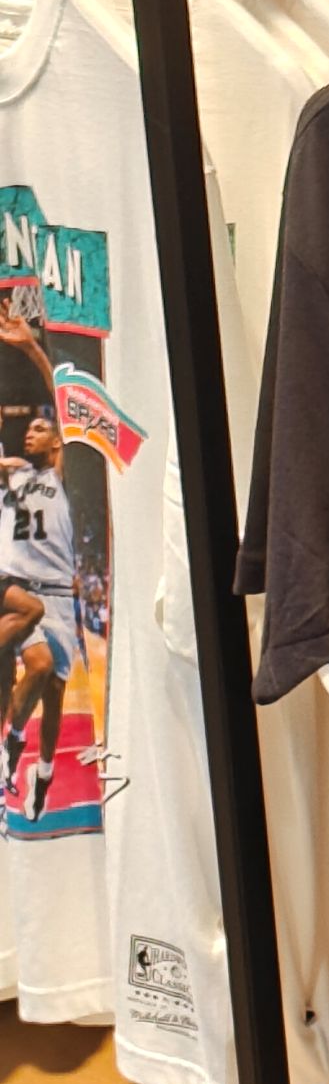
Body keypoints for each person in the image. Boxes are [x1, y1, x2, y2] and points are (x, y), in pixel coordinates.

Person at [0, 310, 82, 822]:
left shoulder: (59, 477)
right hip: (18, 589)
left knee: (54, 695)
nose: (28, 433)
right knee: (38, 665)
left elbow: (67, 409)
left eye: (38, 428)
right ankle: (10, 743)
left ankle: (44, 772)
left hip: (58, 596)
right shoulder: (10, 474)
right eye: (26, 428)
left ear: (55, 441)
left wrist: (33, 349)